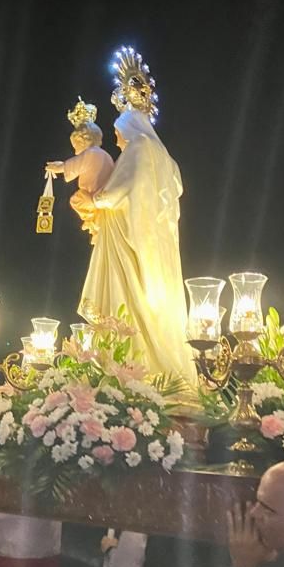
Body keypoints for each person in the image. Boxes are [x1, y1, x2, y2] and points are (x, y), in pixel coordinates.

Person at [66, 105, 194, 381]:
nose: (117, 140)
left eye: (117, 133)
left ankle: (130, 367)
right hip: (152, 239)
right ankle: (147, 363)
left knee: (125, 293)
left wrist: (95, 200)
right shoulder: (165, 159)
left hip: (124, 237)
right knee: (150, 300)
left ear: (130, 129)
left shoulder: (139, 147)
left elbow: (121, 187)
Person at [46, 97, 116, 242]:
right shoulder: (107, 156)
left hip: (91, 197)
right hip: (106, 199)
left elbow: (69, 166)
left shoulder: (90, 154)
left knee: (75, 200)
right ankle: (94, 223)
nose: (76, 151)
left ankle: (91, 221)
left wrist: (55, 167)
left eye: (76, 146)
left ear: (83, 141)